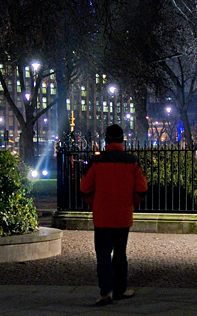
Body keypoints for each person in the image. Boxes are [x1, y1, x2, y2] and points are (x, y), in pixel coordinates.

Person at [80, 124, 148, 306]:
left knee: (103, 256)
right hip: (123, 215)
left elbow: (85, 187)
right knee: (120, 254)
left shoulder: (96, 162)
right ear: (122, 140)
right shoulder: (131, 161)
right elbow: (142, 188)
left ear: (106, 140)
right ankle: (120, 289)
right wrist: (130, 204)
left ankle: (105, 292)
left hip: (102, 216)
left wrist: (94, 204)